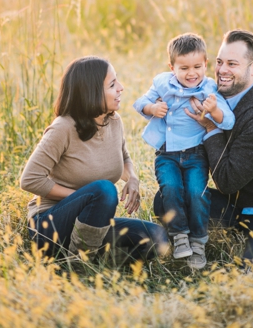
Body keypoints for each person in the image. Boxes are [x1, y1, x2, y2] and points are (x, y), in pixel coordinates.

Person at [155, 29, 253, 266]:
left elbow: (227, 182)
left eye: (232, 64)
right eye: (219, 62)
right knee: (166, 199)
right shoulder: (212, 96)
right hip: (236, 207)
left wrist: (210, 127)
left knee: (251, 273)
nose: (222, 70)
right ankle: (199, 240)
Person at [20, 56, 169, 261]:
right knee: (104, 190)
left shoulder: (113, 122)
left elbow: (124, 157)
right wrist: (82, 198)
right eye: (112, 84)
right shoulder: (63, 127)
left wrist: (132, 178)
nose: (121, 88)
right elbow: (30, 179)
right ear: (91, 92)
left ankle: (100, 261)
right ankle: (81, 262)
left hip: (92, 224)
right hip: (50, 226)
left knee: (158, 238)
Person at [133, 32, 234, 269]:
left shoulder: (209, 88)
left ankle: (198, 241)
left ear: (206, 64)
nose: (191, 73)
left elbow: (228, 121)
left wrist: (214, 111)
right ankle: (179, 236)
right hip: (167, 153)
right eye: (184, 67)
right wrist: (152, 107)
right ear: (172, 67)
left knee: (196, 192)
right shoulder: (162, 83)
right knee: (171, 188)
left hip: (196, 154)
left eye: (197, 66)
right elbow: (139, 103)